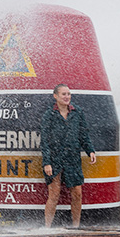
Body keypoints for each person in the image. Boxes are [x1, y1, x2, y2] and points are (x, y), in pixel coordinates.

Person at [40, 84, 96, 228]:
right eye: (63, 94)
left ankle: (76, 226)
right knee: (54, 195)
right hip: (54, 159)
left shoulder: (77, 112)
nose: (67, 97)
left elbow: (84, 134)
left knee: (77, 193)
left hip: (73, 159)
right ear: (55, 96)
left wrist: (90, 151)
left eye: (69, 94)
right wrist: (47, 162)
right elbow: (44, 141)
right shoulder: (49, 115)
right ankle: (47, 228)